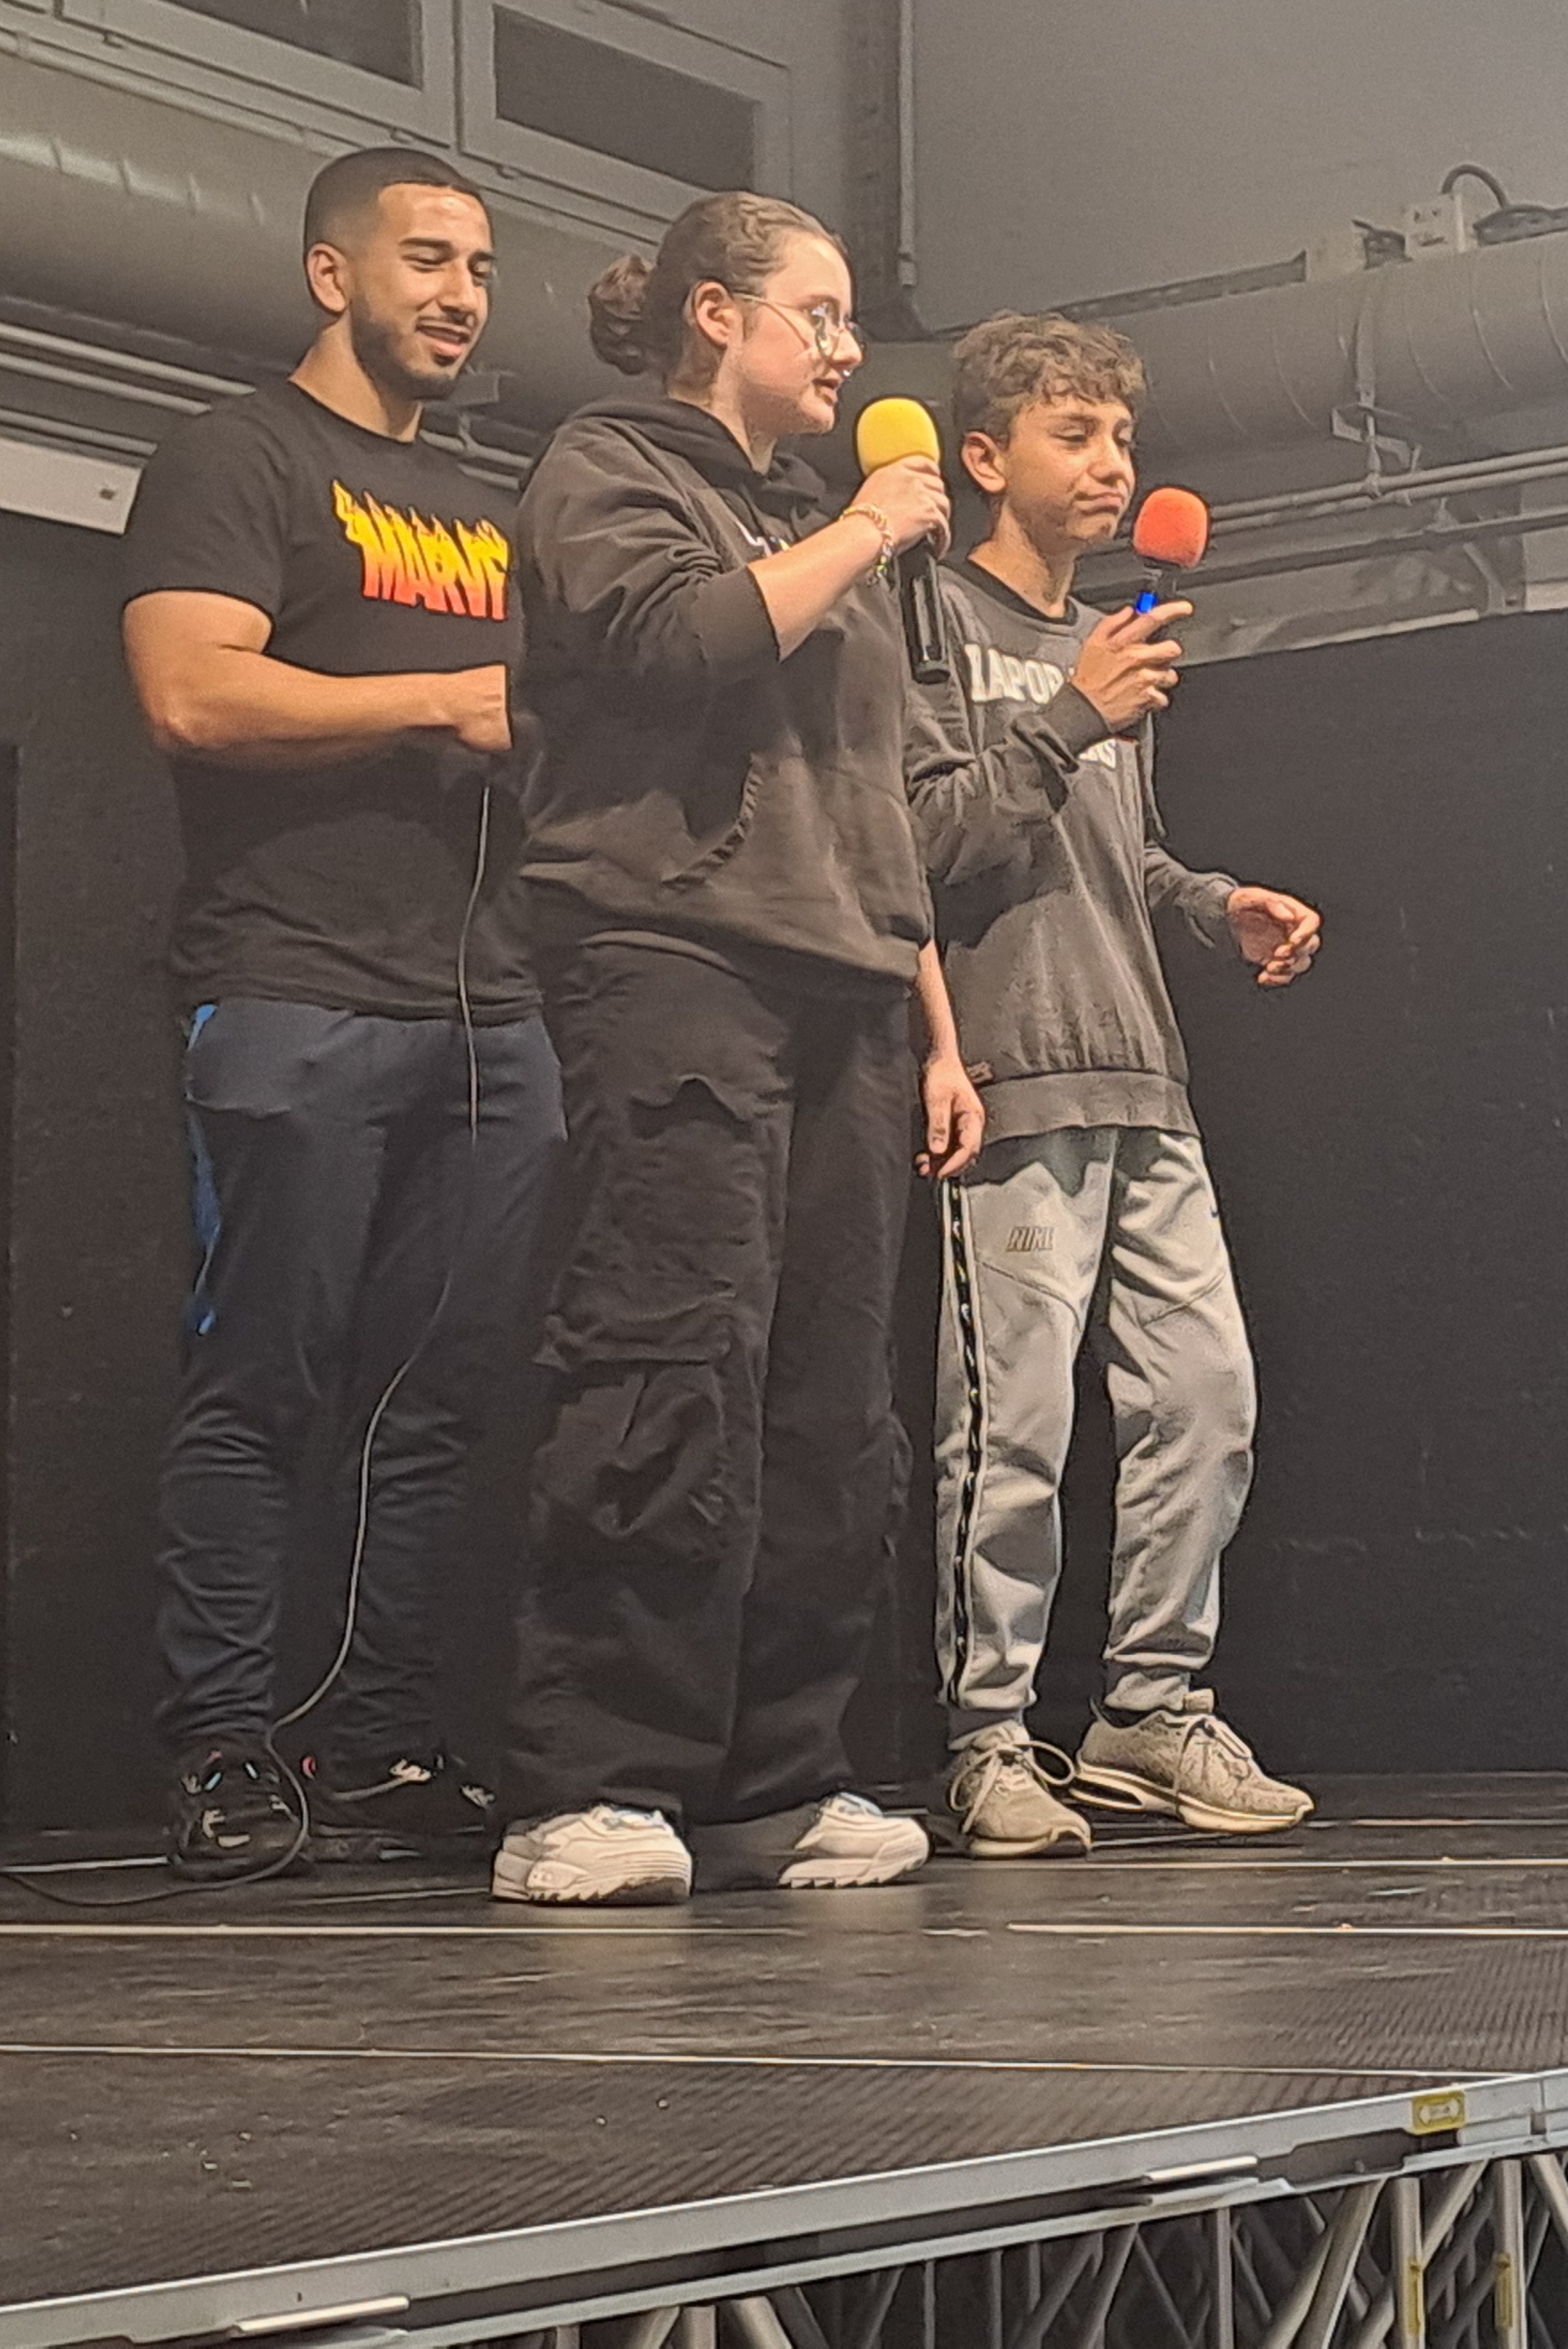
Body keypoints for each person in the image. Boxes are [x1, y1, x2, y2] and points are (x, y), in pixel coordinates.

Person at [494, 191, 985, 1907]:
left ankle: (777, 1776)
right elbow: (673, 641)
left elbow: (912, 804)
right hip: (674, 957)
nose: (849, 350)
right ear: (717, 313)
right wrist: (862, 530)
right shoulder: (610, 465)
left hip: (846, 980)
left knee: (831, 1405)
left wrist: (931, 1005)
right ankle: (596, 1781)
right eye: (819, 314)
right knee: (667, 1362)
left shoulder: (826, 526)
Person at [117, 147, 562, 1880]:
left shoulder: (486, 511)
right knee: (264, 1382)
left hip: (486, 1008)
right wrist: (441, 697)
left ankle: (374, 1743)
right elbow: (189, 692)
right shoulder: (238, 457)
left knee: (436, 1397)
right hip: (291, 986)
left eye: (481, 269)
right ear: (330, 273)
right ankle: (226, 1748)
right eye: (427, 259)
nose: (461, 296)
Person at [904, 313, 1324, 1857]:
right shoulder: (929, 621)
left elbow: (1119, 860)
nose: (1111, 466)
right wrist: (1072, 712)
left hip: (1147, 1078)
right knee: (1010, 1430)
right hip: (1010, 1079)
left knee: (1207, 1400)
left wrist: (1216, 908)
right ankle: (985, 1739)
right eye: (1073, 436)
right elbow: (921, 842)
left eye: (1121, 440)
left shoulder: (1109, 634)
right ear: (984, 457)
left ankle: (1149, 1709)